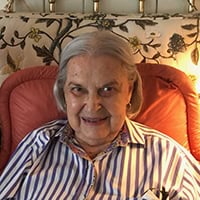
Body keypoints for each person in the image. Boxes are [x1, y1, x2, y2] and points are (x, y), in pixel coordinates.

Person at [0, 30, 199, 199]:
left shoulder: (169, 157)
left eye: (107, 90)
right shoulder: (37, 144)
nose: (92, 106)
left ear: (129, 91)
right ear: (64, 93)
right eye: (78, 89)